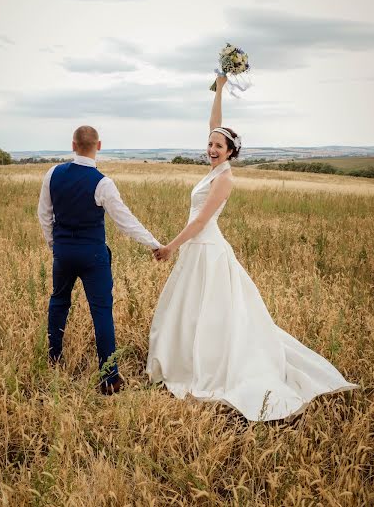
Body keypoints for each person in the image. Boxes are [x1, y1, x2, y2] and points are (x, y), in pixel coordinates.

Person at [147, 76, 357, 421]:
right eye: (211, 143)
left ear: (231, 153)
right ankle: (181, 357)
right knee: (189, 309)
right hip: (196, 250)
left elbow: (200, 222)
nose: (212, 148)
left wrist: (170, 246)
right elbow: (215, 123)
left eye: (219, 146)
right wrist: (219, 87)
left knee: (214, 314)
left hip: (207, 249)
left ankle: (213, 364)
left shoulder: (225, 179)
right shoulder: (214, 167)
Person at [38, 126, 160, 395]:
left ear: (73, 144)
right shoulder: (103, 183)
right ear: (99, 145)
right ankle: (110, 378)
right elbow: (125, 221)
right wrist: (154, 244)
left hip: (64, 253)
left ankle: (54, 357)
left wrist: (55, 245)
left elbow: (44, 215)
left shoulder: (52, 174)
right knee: (101, 312)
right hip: (93, 256)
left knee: (58, 301)